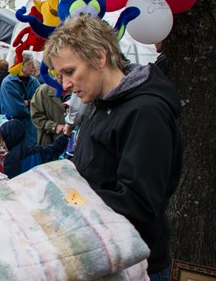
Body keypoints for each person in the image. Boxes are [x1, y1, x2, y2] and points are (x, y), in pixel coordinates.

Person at [43, 15, 182, 279]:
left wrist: (66, 200)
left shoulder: (145, 112)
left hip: (136, 264)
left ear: (99, 57)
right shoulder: (103, 104)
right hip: (107, 254)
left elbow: (138, 203)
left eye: (70, 72)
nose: (65, 85)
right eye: (60, 75)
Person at [0, 119, 69, 179]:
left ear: (10, 138)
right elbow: (54, 149)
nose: (1, 144)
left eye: (2, 140)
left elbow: (9, 182)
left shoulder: (11, 158)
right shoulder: (36, 149)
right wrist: (65, 135)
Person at [0, 53, 40, 144]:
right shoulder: (9, 83)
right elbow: (17, 110)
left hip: (32, 133)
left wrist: (28, 103)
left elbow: (41, 102)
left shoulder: (33, 81)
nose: (33, 67)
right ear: (20, 65)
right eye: (30, 64)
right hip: (15, 133)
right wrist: (33, 107)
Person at [30, 73, 67, 145]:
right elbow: (36, 117)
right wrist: (54, 126)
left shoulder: (77, 89)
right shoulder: (43, 91)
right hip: (50, 142)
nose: (61, 76)